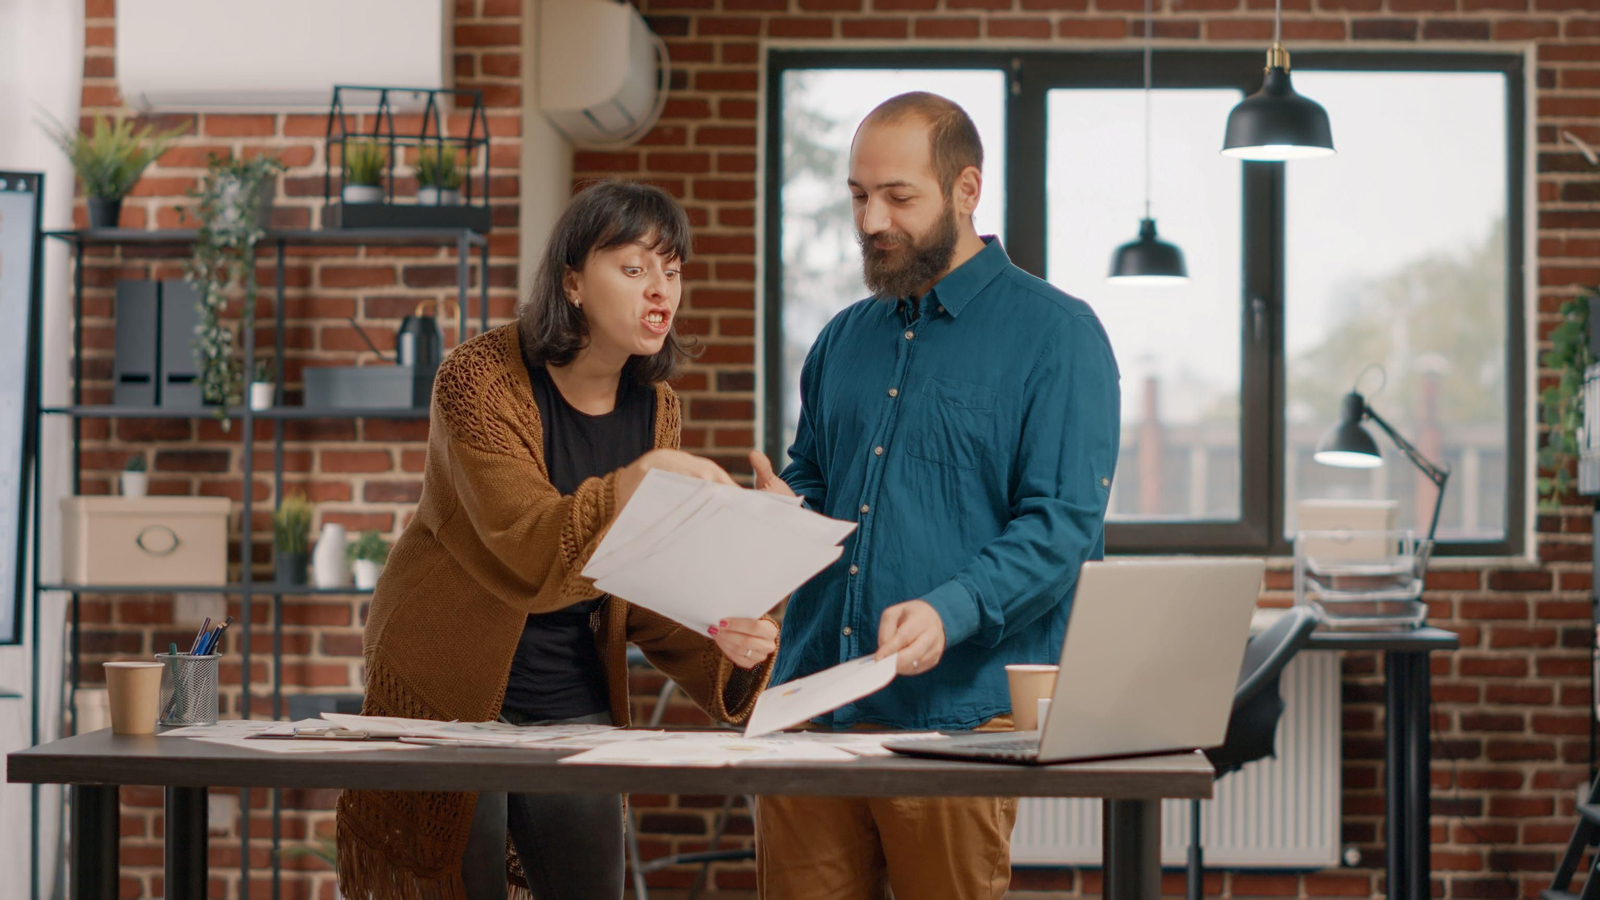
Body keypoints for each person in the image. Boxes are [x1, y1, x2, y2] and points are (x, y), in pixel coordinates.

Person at [335, 180, 780, 900]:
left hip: (572, 692)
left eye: (672, 269)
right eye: (634, 269)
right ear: (573, 281)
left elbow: (638, 577)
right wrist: (640, 481)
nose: (660, 290)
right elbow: (529, 546)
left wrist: (723, 625)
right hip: (452, 688)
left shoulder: (656, 407)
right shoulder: (477, 380)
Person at [748, 92, 1122, 899]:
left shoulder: (1059, 337)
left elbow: (1060, 529)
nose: (873, 219)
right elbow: (817, 478)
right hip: (810, 704)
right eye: (858, 195)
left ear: (966, 189)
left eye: (898, 196)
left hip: (951, 718)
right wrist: (777, 519)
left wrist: (949, 611)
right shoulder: (841, 338)